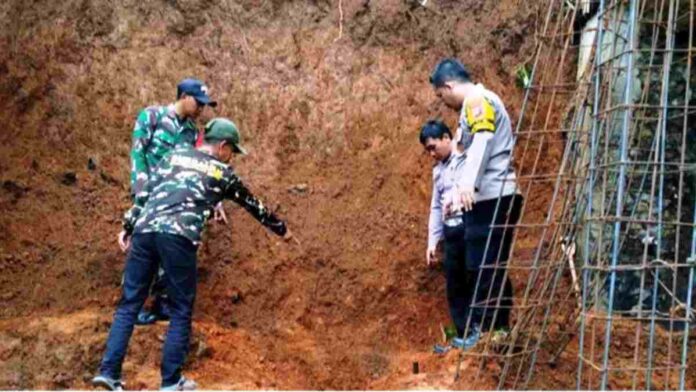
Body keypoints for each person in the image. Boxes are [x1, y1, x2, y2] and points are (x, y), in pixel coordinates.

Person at [93, 118, 292, 390]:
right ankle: (171, 382)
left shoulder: (173, 155)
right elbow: (254, 205)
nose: (231, 157)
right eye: (232, 151)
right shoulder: (222, 172)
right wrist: (282, 230)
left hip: (144, 231)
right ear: (222, 146)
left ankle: (108, 373)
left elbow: (145, 194)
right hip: (178, 236)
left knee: (129, 305)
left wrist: (128, 226)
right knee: (180, 310)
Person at [427, 58, 523, 352]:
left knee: (482, 265)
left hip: (493, 196)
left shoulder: (476, 100)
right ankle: (496, 330)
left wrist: (468, 183)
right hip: (489, 197)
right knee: (486, 263)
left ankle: (486, 332)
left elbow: (481, 141)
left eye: (442, 95)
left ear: (449, 86)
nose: (444, 102)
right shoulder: (475, 104)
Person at [129, 78, 219, 325]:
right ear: (184, 97)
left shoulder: (190, 132)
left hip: (174, 199)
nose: (201, 108)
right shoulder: (152, 116)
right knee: (144, 251)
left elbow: (197, 167)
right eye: (198, 102)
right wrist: (141, 191)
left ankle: (162, 304)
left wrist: (213, 200)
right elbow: (138, 153)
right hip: (150, 195)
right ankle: (133, 307)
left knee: (167, 252)